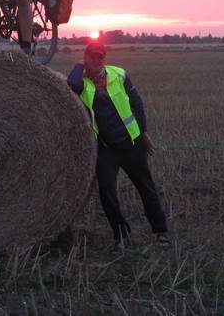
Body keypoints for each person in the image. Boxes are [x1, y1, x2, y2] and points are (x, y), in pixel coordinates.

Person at [67, 41, 170, 250]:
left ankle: (160, 232)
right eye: (92, 57)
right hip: (106, 149)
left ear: (104, 59)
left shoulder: (119, 74)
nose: (96, 61)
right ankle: (121, 235)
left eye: (99, 57)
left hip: (131, 144)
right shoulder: (82, 82)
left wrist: (143, 133)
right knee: (107, 192)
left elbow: (137, 103)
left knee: (146, 188)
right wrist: (79, 66)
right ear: (86, 57)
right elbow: (71, 85)